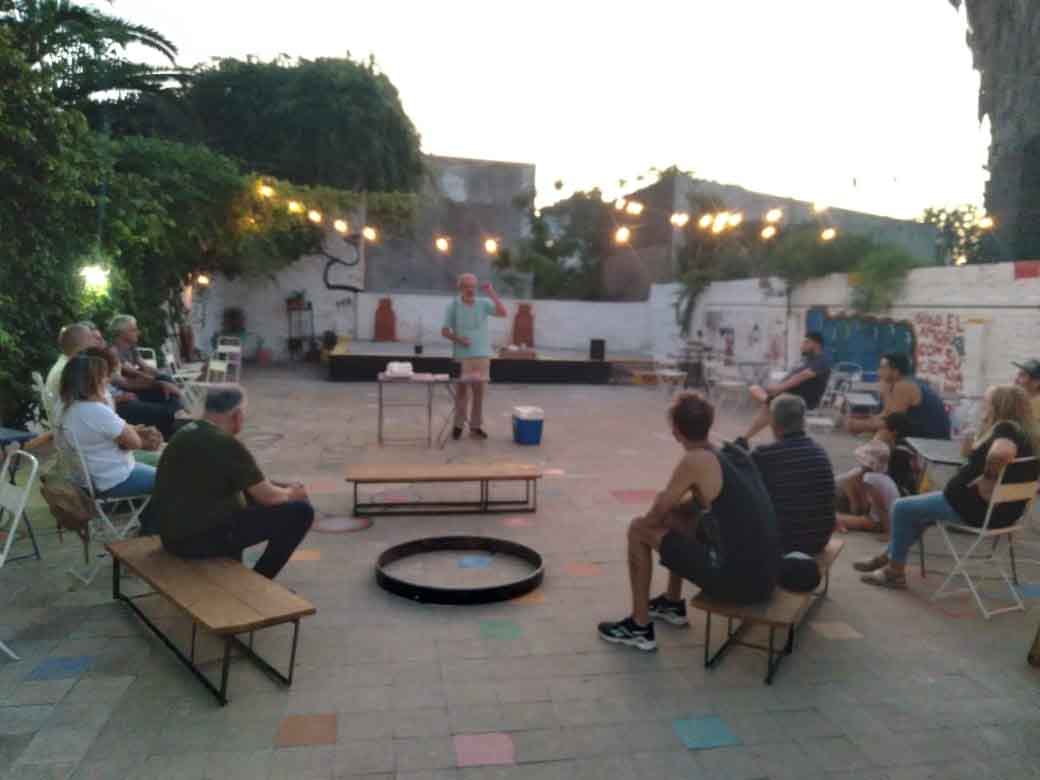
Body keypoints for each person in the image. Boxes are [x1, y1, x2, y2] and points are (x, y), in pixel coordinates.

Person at [598, 392, 779, 651]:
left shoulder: (696, 460)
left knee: (637, 530)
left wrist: (654, 519)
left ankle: (639, 627)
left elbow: (655, 515)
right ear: (709, 423)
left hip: (739, 582)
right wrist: (672, 512)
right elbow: (692, 506)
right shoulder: (729, 452)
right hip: (764, 576)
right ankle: (672, 604)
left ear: (676, 431)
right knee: (681, 514)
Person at [855, 385, 1039, 589]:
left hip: (973, 509)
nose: (982, 407)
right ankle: (888, 556)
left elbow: (1001, 453)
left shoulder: (1006, 429)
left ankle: (894, 571)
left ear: (998, 406)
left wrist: (988, 480)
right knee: (920, 513)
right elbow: (977, 456)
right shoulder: (1025, 434)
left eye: (986, 403)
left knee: (902, 507)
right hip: (1004, 514)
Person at [152, 385, 314, 580]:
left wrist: (282, 489)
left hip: (173, 535)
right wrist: (292, 493)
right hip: (195, 540)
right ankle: (261, 580)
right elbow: (269, 497)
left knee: (255, 498)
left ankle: (241, 570)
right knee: (301, 511)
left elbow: (250, 483)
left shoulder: (188, 431)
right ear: (237, 415)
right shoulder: (224, 443)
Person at [56, 349, 157, 500]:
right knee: (174, 476)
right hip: (114, 480)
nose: (107, 380)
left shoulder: (64, 407)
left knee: (163, 461)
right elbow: (135, 442)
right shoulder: (94, 410)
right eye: (102, 377)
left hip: (90, 480)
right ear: (91, 382)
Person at [750, 394, 836, 555]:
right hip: (819, 540)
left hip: (785, 542)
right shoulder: (819, 451)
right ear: (803, 421)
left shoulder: (764, 455)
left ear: (773, 423)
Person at [734, 332, 831, 448]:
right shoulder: (806, 360)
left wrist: (779, 388)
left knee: (770, 406)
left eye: (806, 342)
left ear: (816, 345)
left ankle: (746, 438)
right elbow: (792, 376)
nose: (802, 345)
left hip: (802, 400)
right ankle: (746, 437)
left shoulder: (821, 360)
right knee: (756, 390)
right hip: (790, 395)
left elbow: (804, 375)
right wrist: (777, 388)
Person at [441, 273, 507, 440]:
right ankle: (458, 425)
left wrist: (491, 292)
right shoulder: (453, 306)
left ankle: (475, 426)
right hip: (463, 356)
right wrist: (459, 339)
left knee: (479, 393)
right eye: (467, 286)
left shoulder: (483, 303)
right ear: (460, 288)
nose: (470, 290)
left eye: (473, 286)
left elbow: (503, 312)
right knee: (462, 393)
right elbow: (444, 331)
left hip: (482, 355)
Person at [836, 412, 918, 534]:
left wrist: (886, 530)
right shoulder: (876, 473)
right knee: (854, 517)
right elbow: (856, 485)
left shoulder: (875, 475)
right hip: (879, 510)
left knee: (851, 519)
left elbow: (879, 507)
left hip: (881, 515)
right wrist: (859, 507)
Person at [107, 315, 182, 439]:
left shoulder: (131, 348)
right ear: (121, 333)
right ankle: (175, 420)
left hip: (135, 387)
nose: (138, 332)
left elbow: (145, 367)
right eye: (133, 329)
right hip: (129, 390)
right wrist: (157, 382)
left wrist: (162, 377)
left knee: (166, 382)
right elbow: (132, 375)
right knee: (166, 398)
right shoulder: (113, 351)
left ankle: (177, 416)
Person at [845, 353, 950, 439]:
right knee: (876, 433)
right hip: (923, 432)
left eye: (883, 368)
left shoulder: (904, 386)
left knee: (884, 434)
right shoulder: (899, 383)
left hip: (933, 437)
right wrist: (864, 420)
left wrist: (860, 425)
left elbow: (892, 422)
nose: (878, 372)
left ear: (895, 371)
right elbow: (886, 413)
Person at [44, 323, 95, 414]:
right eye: (91, 338)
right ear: (82, 342)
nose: (95, 343)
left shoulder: (65, 364)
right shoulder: (69, 369)